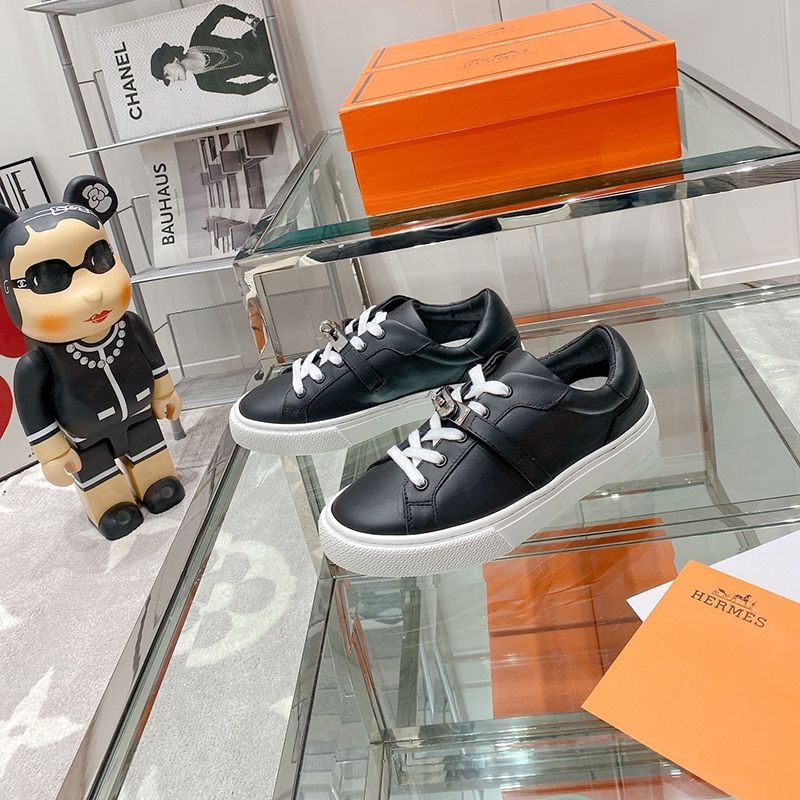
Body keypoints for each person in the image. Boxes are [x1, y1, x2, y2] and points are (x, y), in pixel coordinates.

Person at [0, 176, 185, 540]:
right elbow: (35, 414)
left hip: (140, 416)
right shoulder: (37, 364)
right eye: (49, 277)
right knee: (98, 475)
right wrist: (52, 454)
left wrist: (165, 392)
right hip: (86, 440)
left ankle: (155, 481)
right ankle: (110, 505)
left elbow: (155, 363)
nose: (92, 294)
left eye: (99, 259)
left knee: (151, 456)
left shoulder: (130, 326)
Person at [150, 3, 278, 96]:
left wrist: (249, 19)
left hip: (260, 39)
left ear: (172, 59)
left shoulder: (198, 38)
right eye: (168, 80)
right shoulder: (204, 83)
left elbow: (220, 10)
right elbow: (243, 90)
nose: (172, 80)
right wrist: (267, 80)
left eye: (167, 74)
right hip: (266, 66)